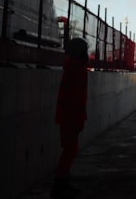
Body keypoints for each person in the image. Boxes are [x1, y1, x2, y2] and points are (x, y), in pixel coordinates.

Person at [53, 37, 89, 199]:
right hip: (71, 118)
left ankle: (63, 184)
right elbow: (77, 98)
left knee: (69, 150)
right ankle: (60, 186)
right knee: (69, 151)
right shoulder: (78, 71)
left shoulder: (72, 68)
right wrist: (78, 120)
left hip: (68, 117)